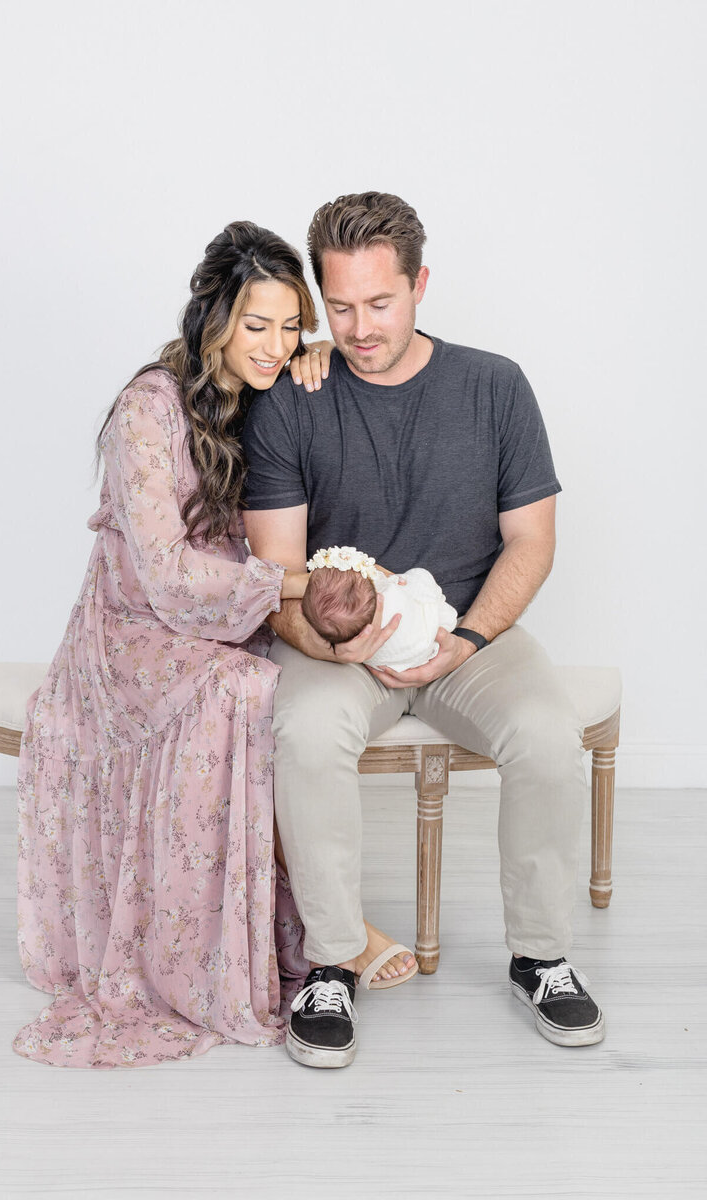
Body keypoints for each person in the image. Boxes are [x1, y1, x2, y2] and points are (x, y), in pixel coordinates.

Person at [242, 191, 605, 1070]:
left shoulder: (494, 385)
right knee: (304, 727)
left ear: (421, 285)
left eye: (381, 302)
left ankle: (541, 955)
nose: (359, 328)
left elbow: (532, 541)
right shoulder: (294, 397)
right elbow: (276, 573)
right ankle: (331, 962)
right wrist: (338, 645)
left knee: (550, 734)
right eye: (341, 307)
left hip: (465, 631)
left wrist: (470, 640)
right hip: (340, 643)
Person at [13, 221, 321, 1068]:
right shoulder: (150, 407)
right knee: (244, 691)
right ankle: (196, 957)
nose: (275, 345)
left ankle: (301, 923)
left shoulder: (272, 386)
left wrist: (313, 360)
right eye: (255, 325)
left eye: (291, 325)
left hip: (222, 617)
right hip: (128, 632)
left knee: (270, 680)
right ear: (212, 317)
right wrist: (287, 585)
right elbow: (166, 577)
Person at [301, 545, 457, 671]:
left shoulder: (351, 639)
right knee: (418, 578)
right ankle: (446, 618)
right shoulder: (385, 595)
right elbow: (387, 579)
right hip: (428, 638)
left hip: (393, 665)